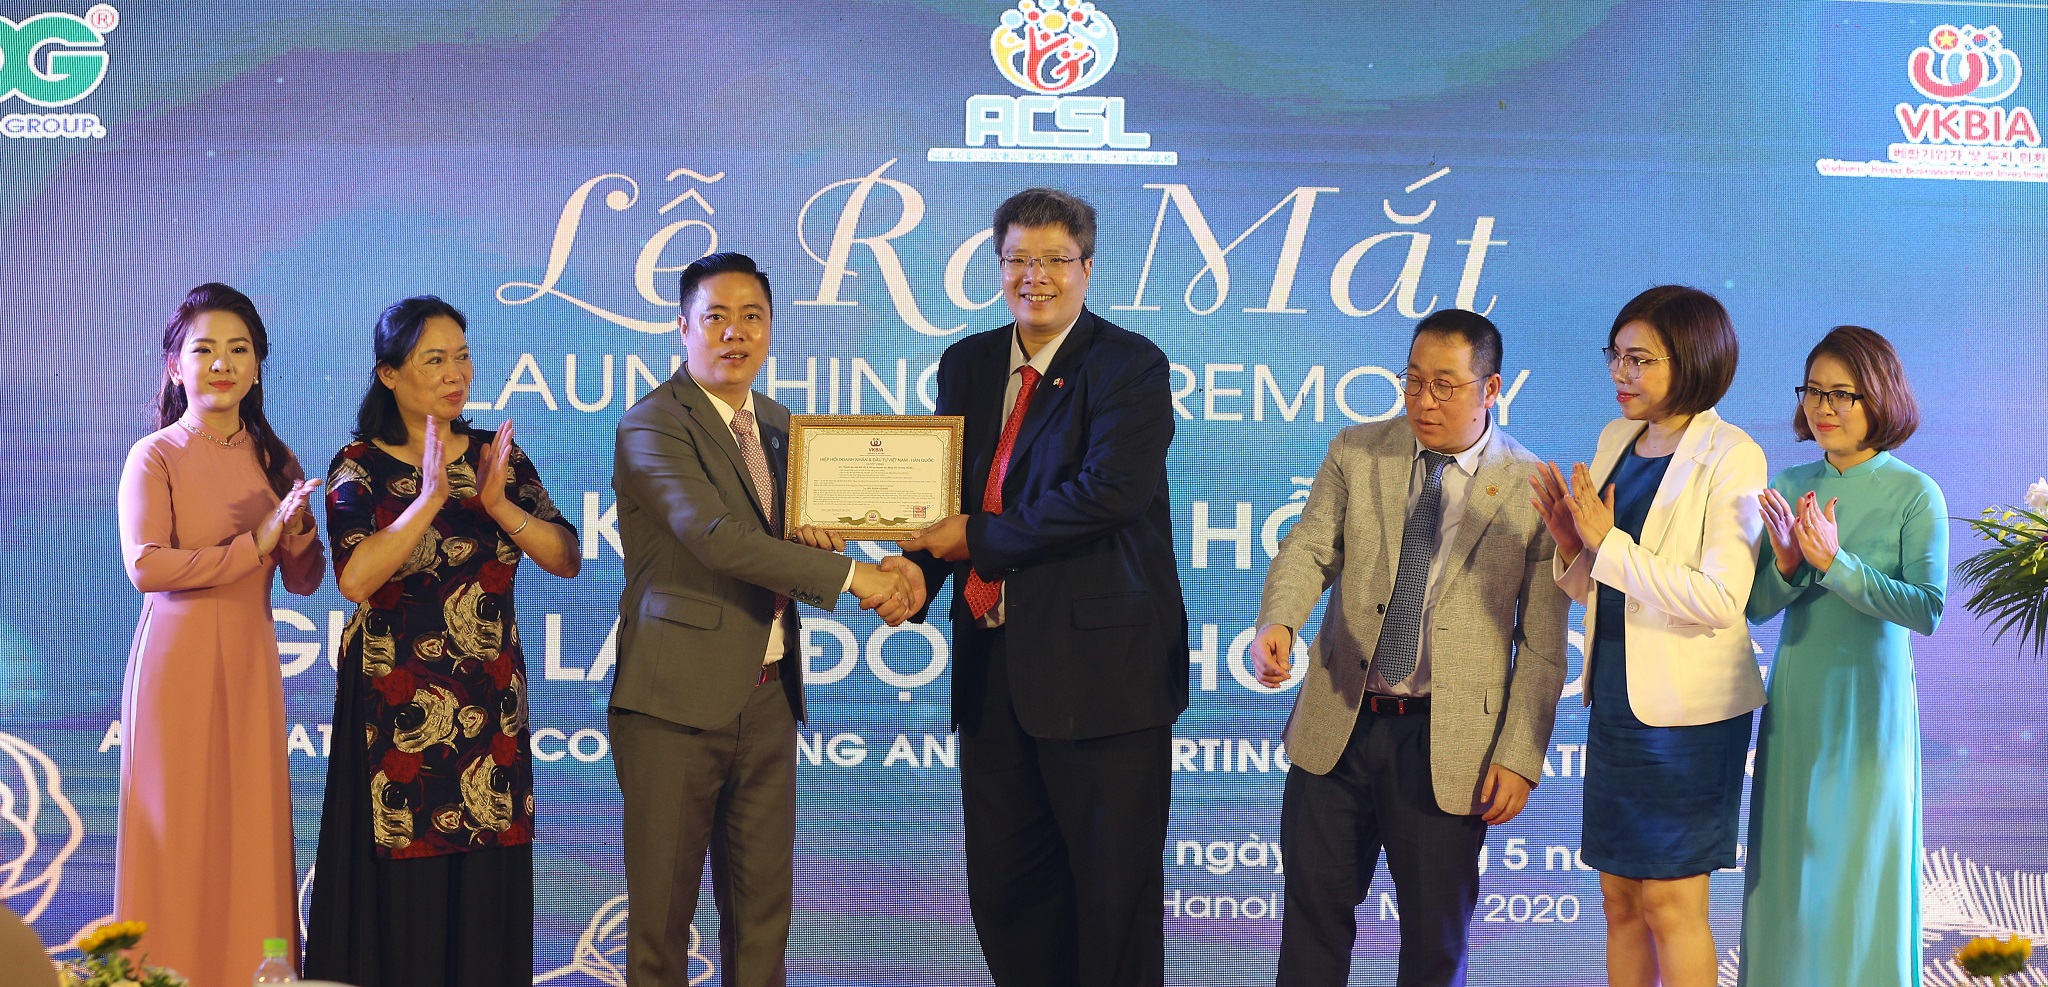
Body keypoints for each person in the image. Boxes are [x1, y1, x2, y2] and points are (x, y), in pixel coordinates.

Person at [897, 188, 1187, 987]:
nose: (1036, 277)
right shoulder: (967, 363)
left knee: (1112, 901)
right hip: (995, 674)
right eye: (1018, 259)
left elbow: (1108, 494)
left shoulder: (1130, 365)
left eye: (1056, 259)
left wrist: (972, 540)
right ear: (997, 265)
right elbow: (952, 499)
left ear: (1087, 267)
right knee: (1007, 895)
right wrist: (915, 570)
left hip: (1104, 681)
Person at [609, 251, 925, 987]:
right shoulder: (653, 423)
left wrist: (895, 556)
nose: (735, 333)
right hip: (673, 706)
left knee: (761, 924)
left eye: (752, 316)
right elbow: (717, 538)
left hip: (768, 697)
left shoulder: (784, 428)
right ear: (682, 327)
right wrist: (859, 577)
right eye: (715, 317)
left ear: (772, 327)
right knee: (661, 927)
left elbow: (808, 532)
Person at [1251, 309, 1570, 987]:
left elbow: (1543, 644)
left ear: (1491, 388)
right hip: (1339, 719)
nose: (1424, 400)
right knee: (1311, 923)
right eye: (1414, 380)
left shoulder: (1532, 488)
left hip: (1448, 741)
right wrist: (1279, 620)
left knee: (1434, 941)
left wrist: (1520, 755)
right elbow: (1309, 546)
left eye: (1445, 385)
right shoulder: (1358, 450)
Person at [304, 296, 581, 987]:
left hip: (490, 708)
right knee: (406, 906)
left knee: (485, 904)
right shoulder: (358, 466)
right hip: (394, 715)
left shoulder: (495, 457)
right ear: (390, 374)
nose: (456, 373)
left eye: (462, 356)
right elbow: (354, 576)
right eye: (435, 359)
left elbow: (566, 556)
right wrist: (428, 499)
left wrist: (500, 506)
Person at [1531, 285, 1765, 987]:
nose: (1620, 373)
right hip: (1616, 698)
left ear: (1691, 361)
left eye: (1640, 359)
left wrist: (1609, 546)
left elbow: (1721, 599)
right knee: (1619, 900)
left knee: (1670, 901)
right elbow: (1609, 586)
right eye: (1616, 355)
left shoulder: (1733, 455)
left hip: (1688, 716)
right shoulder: (1616, 439)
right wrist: (1573, 546)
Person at [115, 283, 324, 986]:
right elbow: (147, 566)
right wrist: (253, 543)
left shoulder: (276, 459)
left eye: (239, 349)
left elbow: (304, 579)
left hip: (249, 662)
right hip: (173, 667)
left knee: (251, 833)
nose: (222, 364)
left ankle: (253, 973)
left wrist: (297, 532)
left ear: (258, 366)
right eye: (204, 349)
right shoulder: (154, 455)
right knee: (174, 839)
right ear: (175, 366)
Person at [1739, 326, 1945, 986]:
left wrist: (1836, 563)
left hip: (1871, 708)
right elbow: (1755, 607)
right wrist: (1790, 564)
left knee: (1860, 876)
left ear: (1879, 397)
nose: (1823, 407)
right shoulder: (1789, 481)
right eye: (1813, 391)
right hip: (1798, 701)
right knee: (1789, 873)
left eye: (1841, 394)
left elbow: (1927, 609)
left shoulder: (1916, 492)